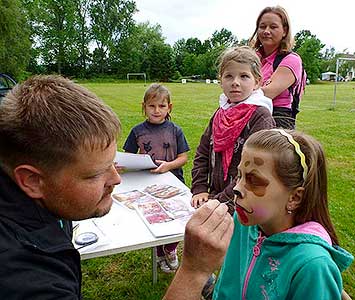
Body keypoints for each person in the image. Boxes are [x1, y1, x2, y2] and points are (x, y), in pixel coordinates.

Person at [0, 75, 234, 299]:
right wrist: (193, 272)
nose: (116, 179)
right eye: (95, 173)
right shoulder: (25, 280)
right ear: (32, 181)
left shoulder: (40, 201)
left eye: (112, 164)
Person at [212, 129, 354, 299]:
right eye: (239, 176)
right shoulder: (244, 223)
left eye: (254, 181)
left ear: (294, 197)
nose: (237, 189)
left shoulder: (313, 266)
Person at [191, 46, 275, 216]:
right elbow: (203, 152)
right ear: (220, 80)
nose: (235, 82)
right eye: (229, 76)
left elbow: (255, 169)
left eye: (244, 76)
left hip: (246, 205)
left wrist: (222, 201)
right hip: (215, 199)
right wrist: (200, 188)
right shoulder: (220, 113)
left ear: (257, 81)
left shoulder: (261, 117)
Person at [123, 83, 190, 273]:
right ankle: (160, 254)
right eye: (152, 106)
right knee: (155, 217)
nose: (156, 110)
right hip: (147, 183)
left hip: (173, 180)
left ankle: (170, 248)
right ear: (143, 107)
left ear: (169, 107)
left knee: (177, 217)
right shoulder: (137, 131)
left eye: (161, 106)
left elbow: (183, 157)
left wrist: (168, 166)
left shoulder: (175, 130)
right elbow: (129, 156)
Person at [249, 6, 306, 129]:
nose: (266, 31)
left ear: (285, 31)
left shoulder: (291, 60)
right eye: (262, 26)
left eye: (273, 27)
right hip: (249, 113)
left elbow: (267, 93)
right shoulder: (252, 58)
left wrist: (234, 94)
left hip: (277, 120)